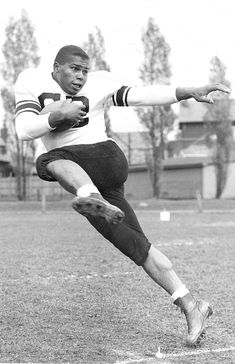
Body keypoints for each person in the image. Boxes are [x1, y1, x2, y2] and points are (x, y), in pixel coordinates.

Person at [14, 45, 229, 346]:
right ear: (56, 67)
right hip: (89, 181)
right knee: (136, 246)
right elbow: (23, 129)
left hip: (104, 158)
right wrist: (57, 114)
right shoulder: (29, 80)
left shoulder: (101, 83)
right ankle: (192, 305)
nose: (80, 77)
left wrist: (187, 91)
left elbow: (141, 95)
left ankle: (89, 194)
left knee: (45, 162)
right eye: (74, 69)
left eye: (85, 71)